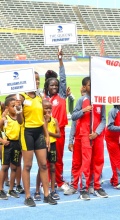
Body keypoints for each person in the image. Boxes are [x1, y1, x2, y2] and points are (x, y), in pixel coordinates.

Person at [17, 71, 57, 206]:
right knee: (27, 166)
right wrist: (18, 109)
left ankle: (46, 194)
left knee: (44, 164)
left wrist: (46, 135)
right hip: (27, 132)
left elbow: (42, 120)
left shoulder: (39, 97)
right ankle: (28, 197)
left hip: (39, 132)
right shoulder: (21, 98)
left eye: (38, 80)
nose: (37, 82)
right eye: (35, 80)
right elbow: (19, 121)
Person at [71, 77, 107, 199]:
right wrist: (83, 110)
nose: (92, 87)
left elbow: (103, 119)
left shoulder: (100, 101)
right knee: (86, 162)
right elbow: (74, 116)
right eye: (90, 85)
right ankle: (84, 188)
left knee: (98, 161)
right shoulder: (82, 100)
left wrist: (97, 133)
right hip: (85, 136)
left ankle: (97, 186)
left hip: (97, 136)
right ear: (85, 87)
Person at [43, 50, 69, 191]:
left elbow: (63, 78)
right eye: (51, 85)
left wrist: (60, 61)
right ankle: (45, 182)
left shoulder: (62, 96)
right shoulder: (43, 100)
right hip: (46, 133)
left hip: (59, 133)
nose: (54, 87)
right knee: (46, 159)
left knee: (58, 158)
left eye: (56, 85)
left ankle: (59, 181)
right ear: (47, 87)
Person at [34, 100, 61, 201]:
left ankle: (53, 190)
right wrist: (45, 120)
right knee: (41, 167)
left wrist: (49, 133)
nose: (48, 110)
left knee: (53, 167)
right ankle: (37, 190)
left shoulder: (54, 120)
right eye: (46, 108)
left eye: (50, 108)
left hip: (53, 145)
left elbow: (59, 134)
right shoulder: (40, 121)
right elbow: (42, 131)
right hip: (43, 145)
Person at [0, 96, 22, 199]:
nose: (14, 108)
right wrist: (2, 141)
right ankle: (1, 190)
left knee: (14, 167)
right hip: (8, 144)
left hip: (17, 144)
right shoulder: (5, 118)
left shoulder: (19, 118)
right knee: (5, 167)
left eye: (16, 106)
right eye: (12, 106)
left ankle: (11, 189)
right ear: (7, 107)